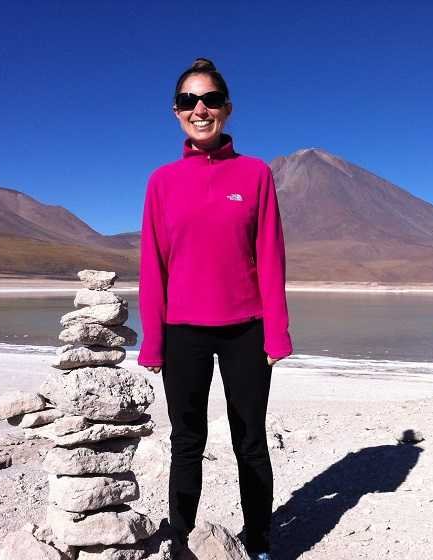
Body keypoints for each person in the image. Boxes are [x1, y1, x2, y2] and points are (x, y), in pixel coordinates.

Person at [137, 57, 293, 560]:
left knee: (250, 440)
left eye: (210, 100)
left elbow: (270, 256)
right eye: (188, 101)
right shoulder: (162, 182)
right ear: (176, 111)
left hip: (246, 329)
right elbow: (153, 265)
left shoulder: (255, 174)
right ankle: (181, 542)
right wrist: (153, 341)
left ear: (227, 109)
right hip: (183, 332)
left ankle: (260, 543)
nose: (199, 109)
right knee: (187, 441)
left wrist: (277, 332)